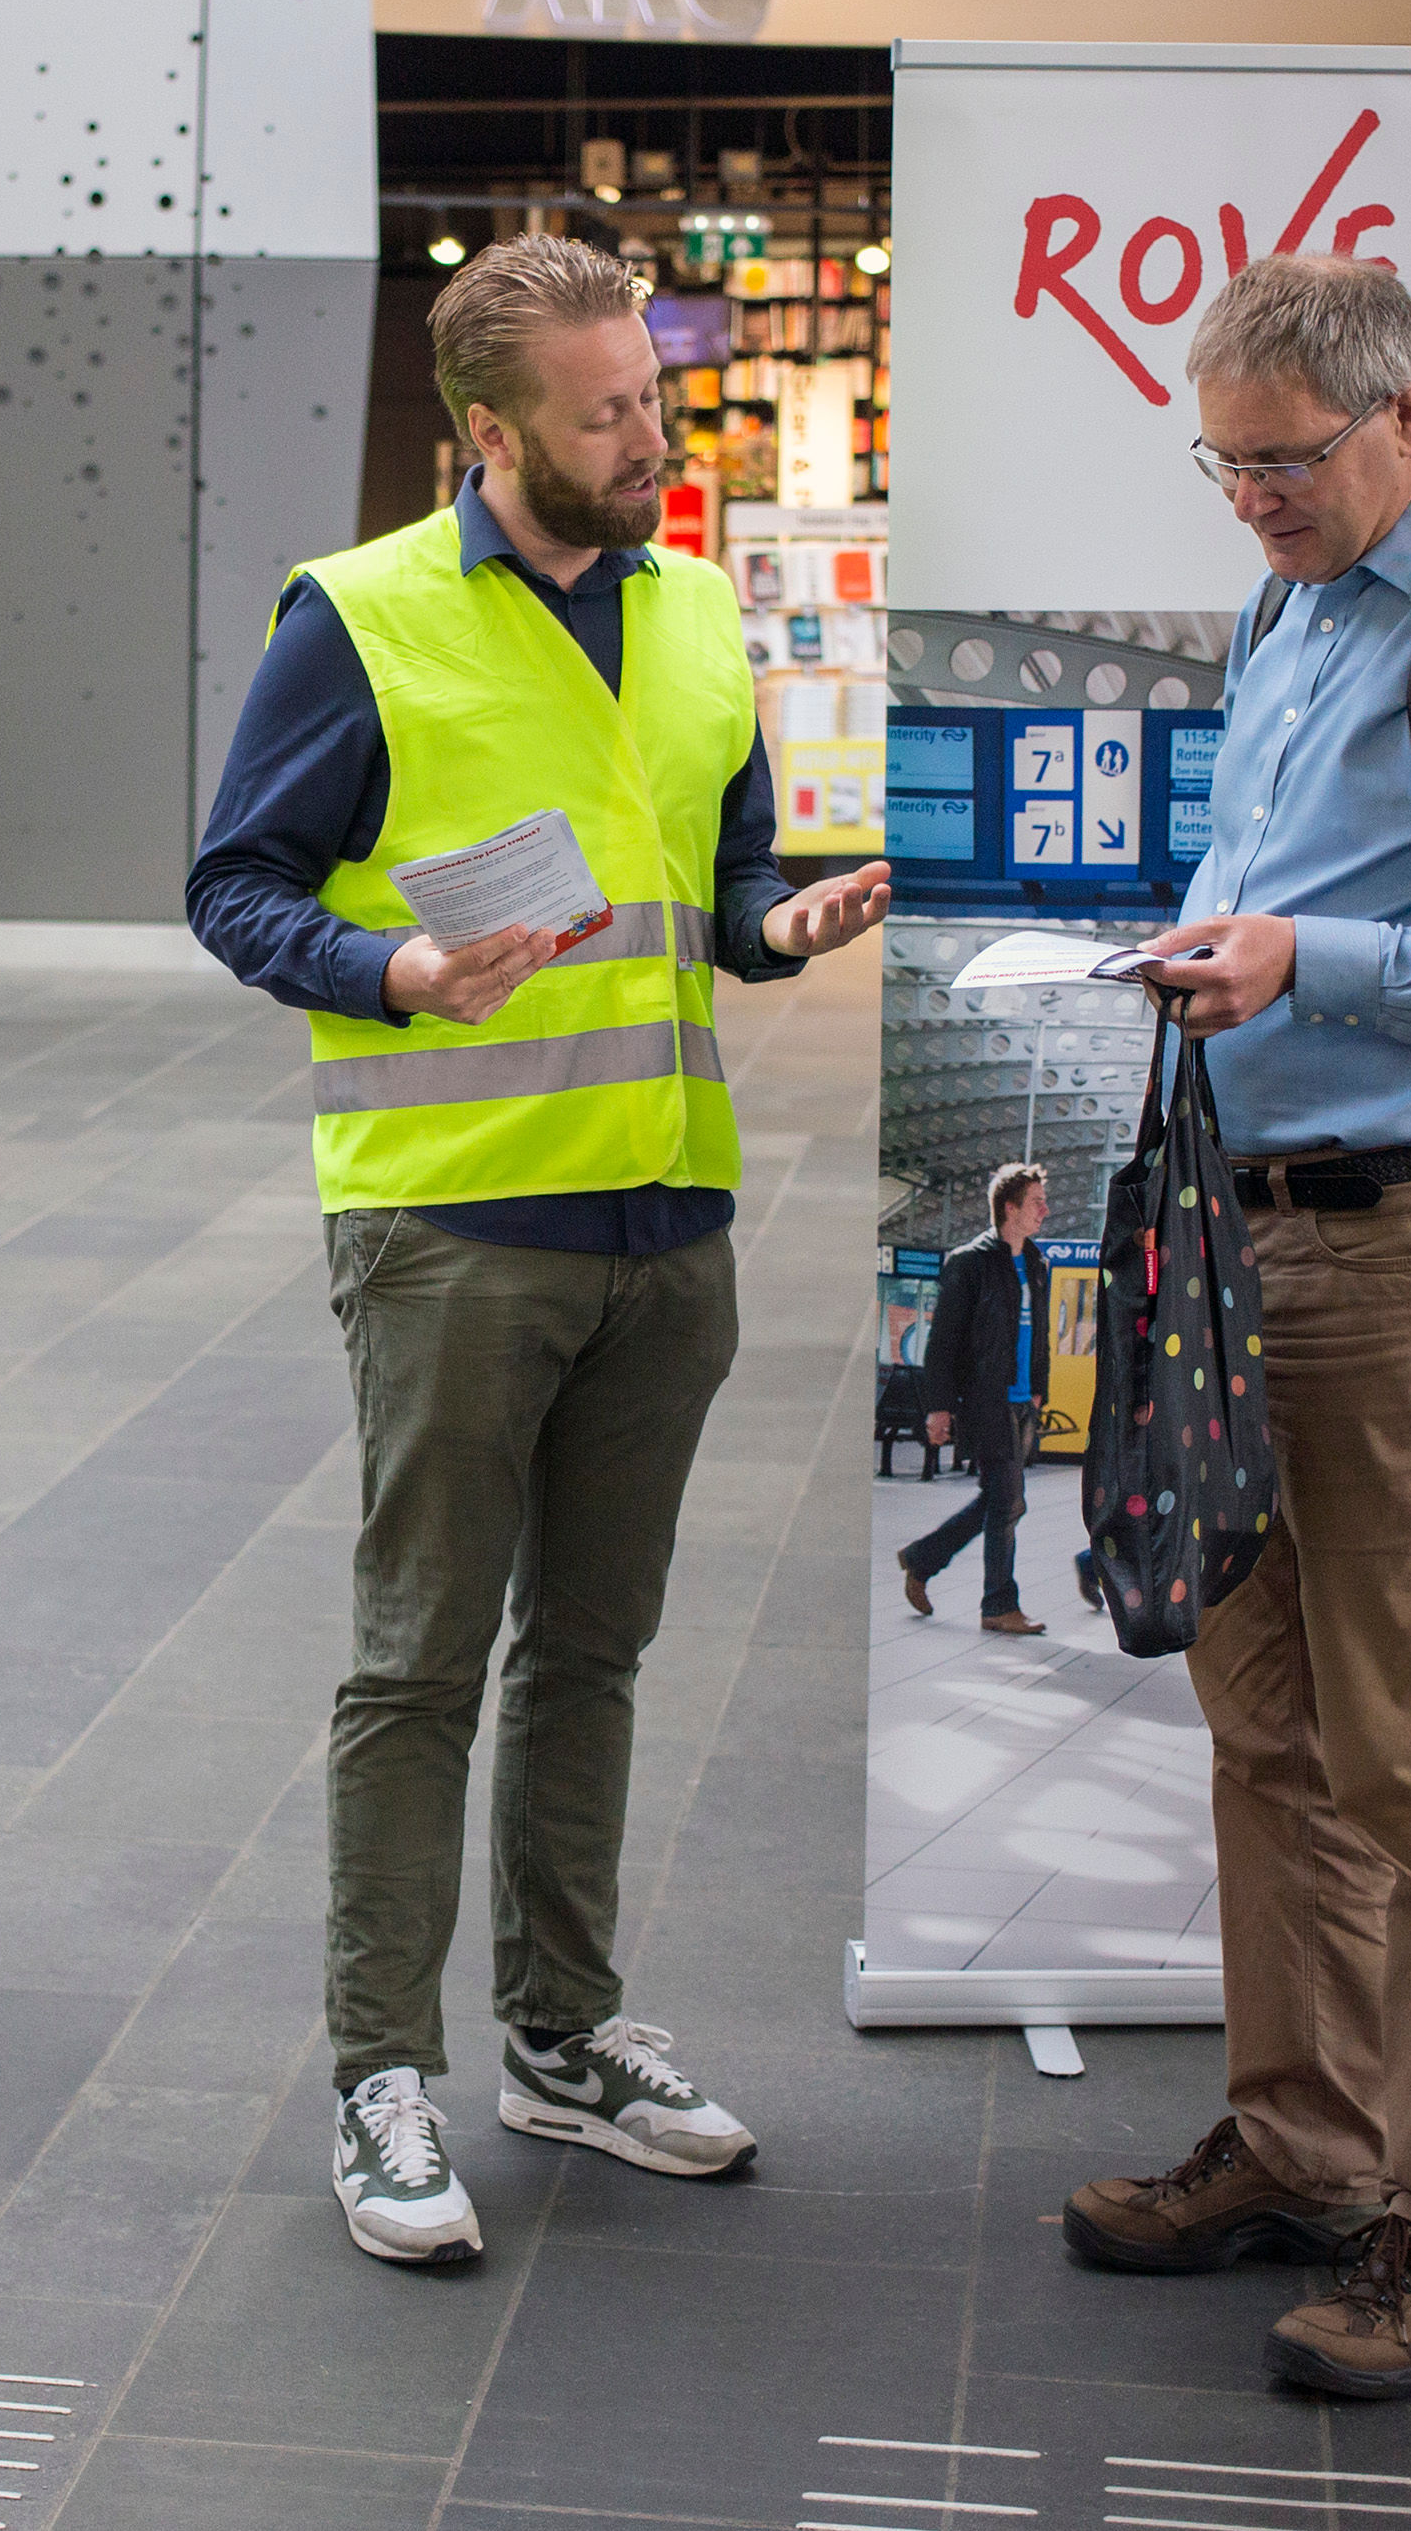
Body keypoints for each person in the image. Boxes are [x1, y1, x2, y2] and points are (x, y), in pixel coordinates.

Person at [188, 232, 895, 2268]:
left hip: (669, 1213)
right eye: (608, 413)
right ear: (488, 433)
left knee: (591, 1649)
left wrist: (776, 923)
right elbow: (230, 884)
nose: (649, 438)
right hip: (451, 1221)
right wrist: (392, 963)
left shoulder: (690, 613)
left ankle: (561, 2037)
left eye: (655, 397)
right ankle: (372, 2075)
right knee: (415, 1662)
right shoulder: (357, 617)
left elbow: (726, 857)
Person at [1055, 255, 1411, 2398]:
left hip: (1409, 1246)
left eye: (1282, 462)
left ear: (1407, 412)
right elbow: (1293, 873)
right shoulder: (1284, 605)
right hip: (1242, 1231)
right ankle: (1300, 2142)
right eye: (1220, 463)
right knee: (1265, 1725)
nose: (1250, 501)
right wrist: (1214, 954)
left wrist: (1314, 961)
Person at [898, 1163, 1057, 1634]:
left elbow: (1039, 1333)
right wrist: (939, 1407)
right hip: (986, 1399)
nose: (1044, 1211)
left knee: (1000, 1499)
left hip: (1023, 1399)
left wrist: (1040, 1387)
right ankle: (997, 1605)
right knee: (1008, 1500)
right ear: (1009, 1208)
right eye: (1035, 1202)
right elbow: (944, 1342)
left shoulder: (1036, 1262)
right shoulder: (970, 1263)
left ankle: (922, 1559)